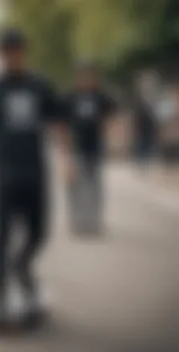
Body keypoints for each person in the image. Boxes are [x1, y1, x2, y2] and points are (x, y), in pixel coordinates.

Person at [0, 28, 63, 335]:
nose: (11, 55)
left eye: (16, 49)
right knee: (1, 237)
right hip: (4, 173)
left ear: (24, 51)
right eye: (6, 50)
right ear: (0, 54)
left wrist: (70, 160)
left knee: (39, 233)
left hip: (36, 172)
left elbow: (57, 122)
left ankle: (23, 272)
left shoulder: (40, 85)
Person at [63, 62, 115, 235]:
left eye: (90, 75)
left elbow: (112, 116)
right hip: (75, 148)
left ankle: (94, 221)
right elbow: (62, 123)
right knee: (75, 187)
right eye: (83, 75)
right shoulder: (70, 98)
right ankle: (77, 221)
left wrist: (107, 131)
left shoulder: (101, 97)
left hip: (95, 148)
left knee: (94, 186)